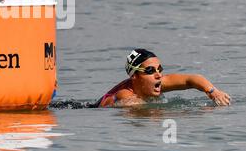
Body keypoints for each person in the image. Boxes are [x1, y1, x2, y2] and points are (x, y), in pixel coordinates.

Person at [96, 49, 231, 107]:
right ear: (135, 76)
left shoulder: (154, 82)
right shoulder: (124, 96)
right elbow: (150, 113)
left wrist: (214, 92)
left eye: (159, 69)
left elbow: (192, 79)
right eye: (150, 70)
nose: (158, 75)